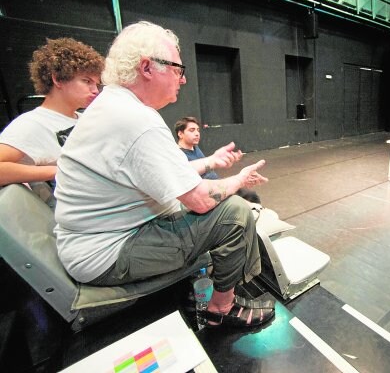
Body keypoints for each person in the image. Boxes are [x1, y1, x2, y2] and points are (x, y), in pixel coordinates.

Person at [54, 21, 274, 328]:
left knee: (207, 206)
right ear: (147, 67)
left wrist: (210, 162)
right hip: (108, 253)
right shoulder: (137, 120)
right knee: (235, 213)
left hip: (92, 243)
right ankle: (221, 309)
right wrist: (238, 180)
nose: (182, 80)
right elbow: (199, 199)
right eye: (176, 70)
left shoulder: (113, 106)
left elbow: (171, 173)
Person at [0, 38, 104, 191]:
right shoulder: (32, 123)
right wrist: (60, 171)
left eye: (96, 84)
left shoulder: (84, 119)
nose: (95, 90)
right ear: (58, 79)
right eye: (86, 81)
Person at [175, 116, 261, 202]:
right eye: (192, 130)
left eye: (198, 130)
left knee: (251, 195)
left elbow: (208, 168)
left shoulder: (195, 147)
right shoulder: (179, 156)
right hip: (209, 194)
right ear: (180, 134)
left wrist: (226, 159)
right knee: (247, 199)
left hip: (218, 184)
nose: (197, 133)